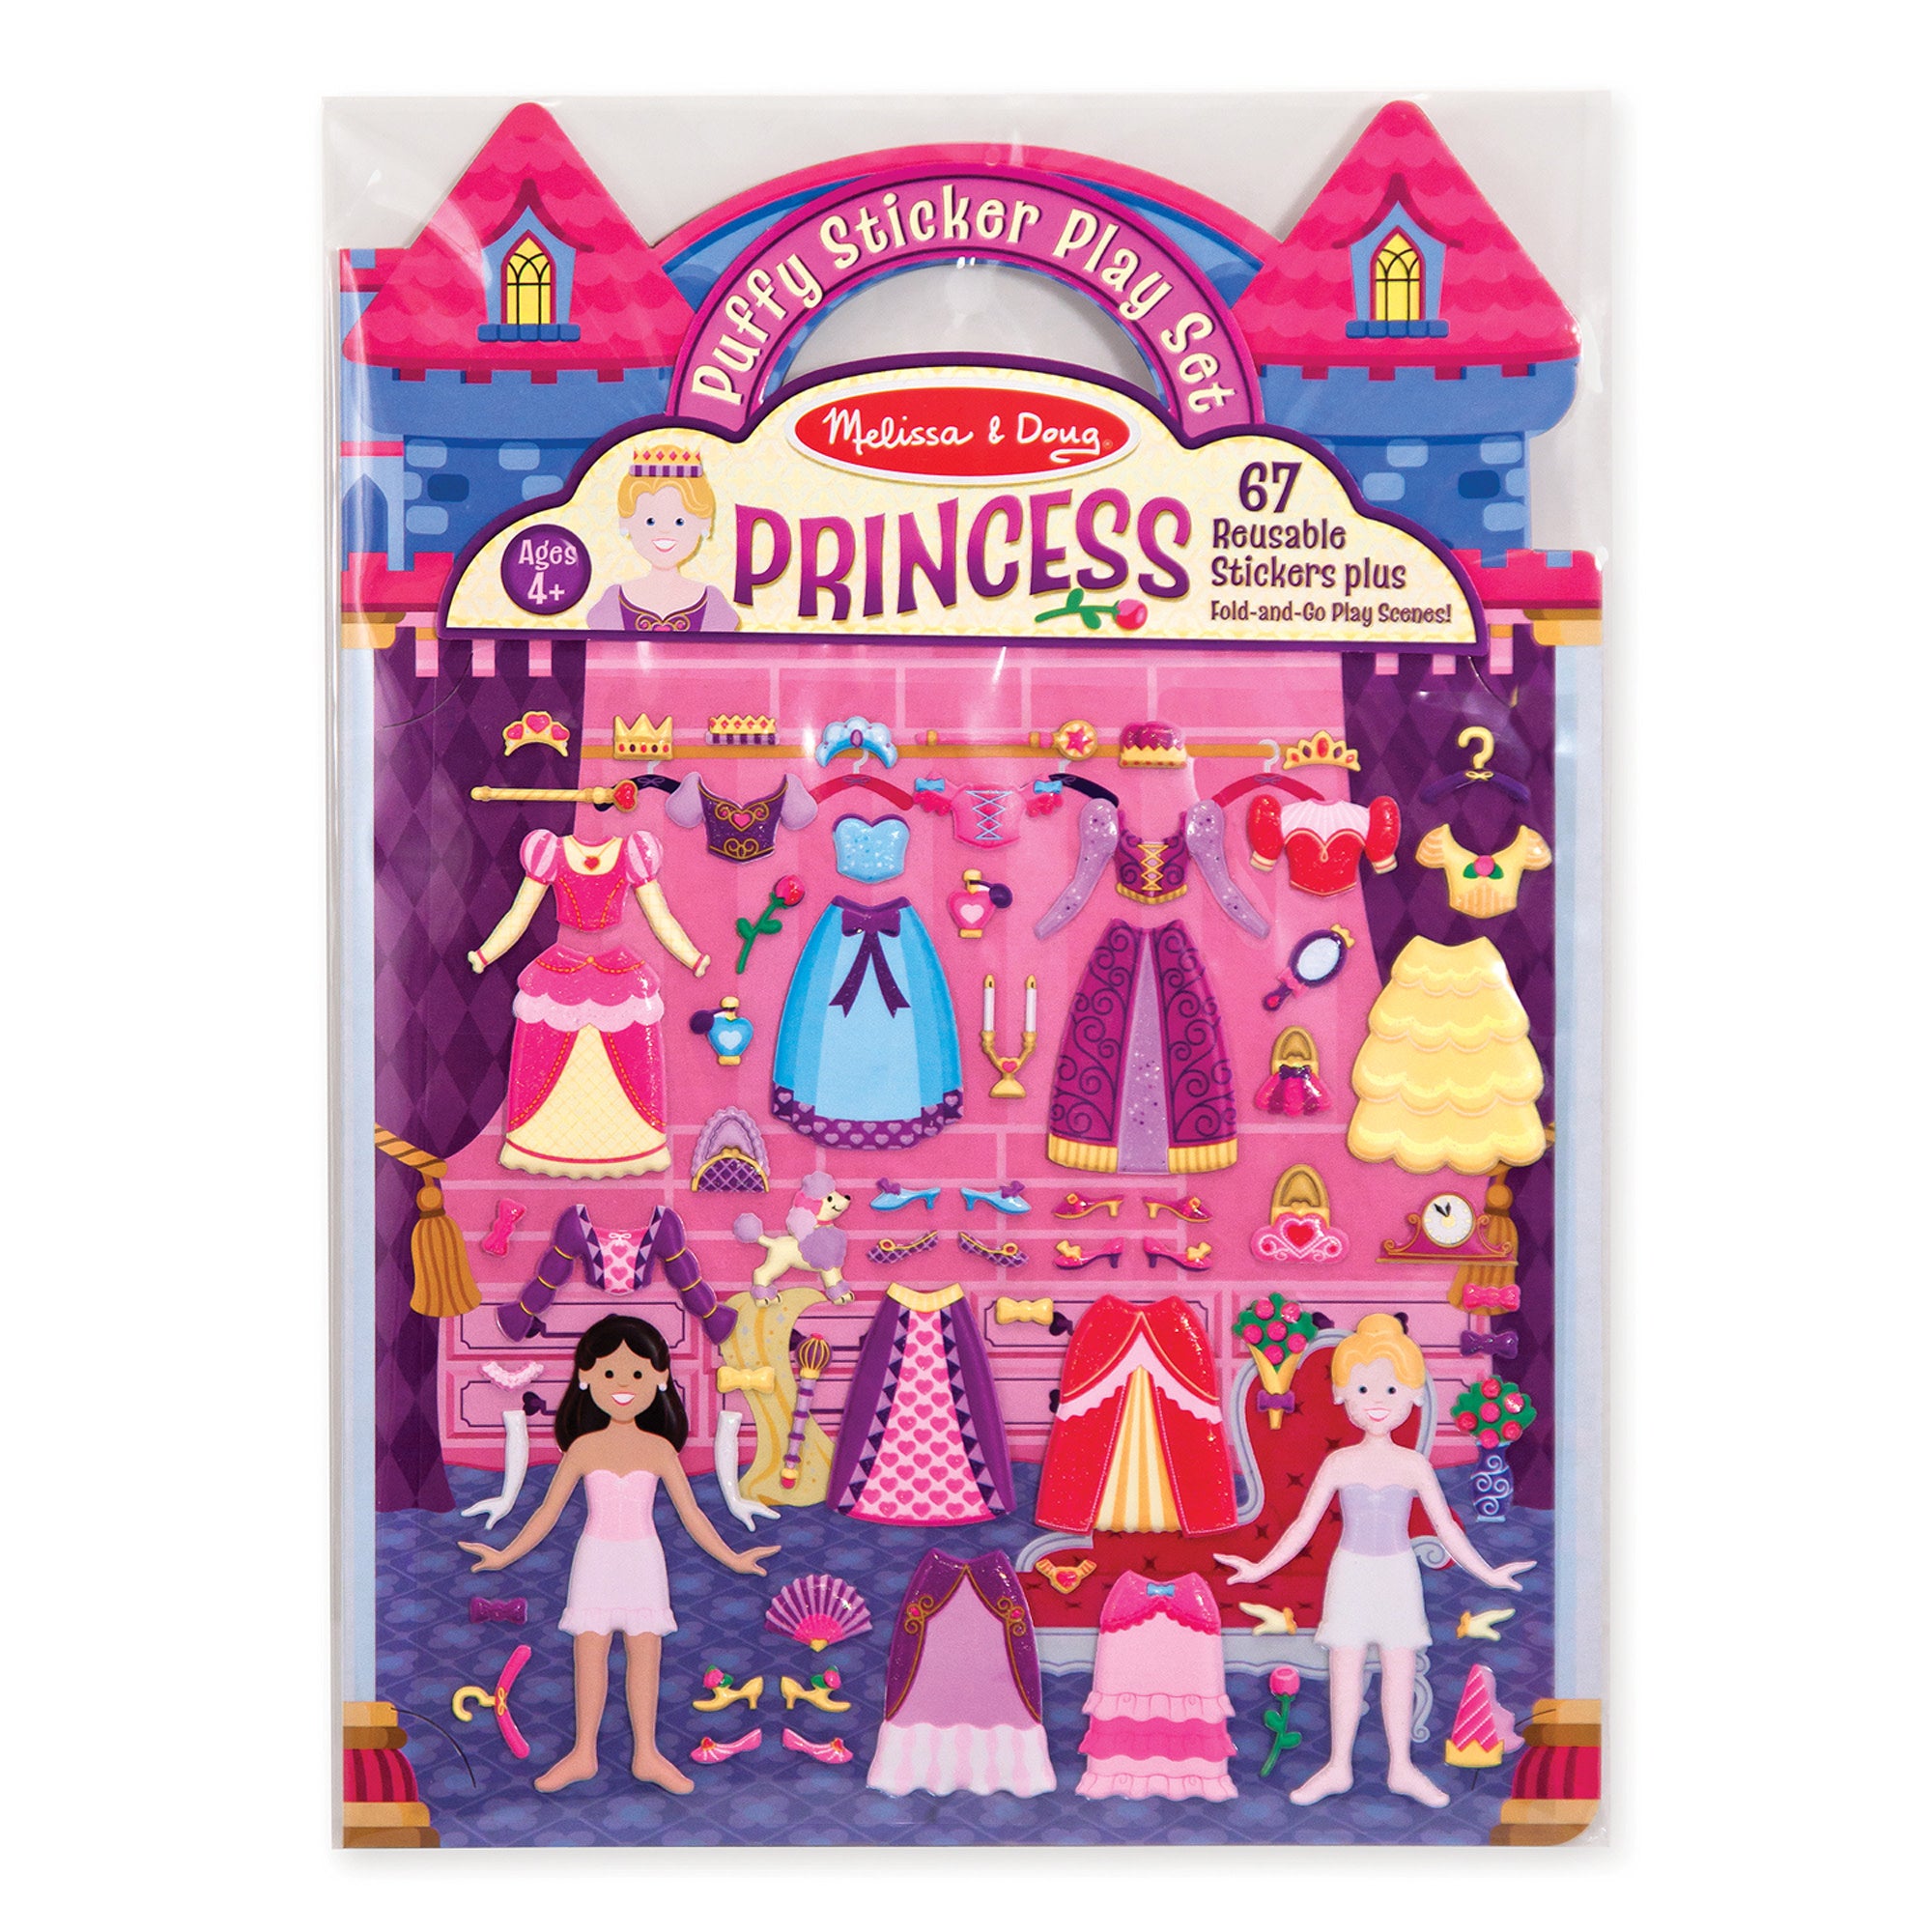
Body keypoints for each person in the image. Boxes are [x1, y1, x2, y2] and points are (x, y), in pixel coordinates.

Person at [1213, 1313, 1532, 1807]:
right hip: (1350, 1574)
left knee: (1399, 1667)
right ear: (1343, 1394)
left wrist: (1488, 1572)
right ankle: (1337, 1765)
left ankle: (1402, 1766)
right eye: (1363, 1389)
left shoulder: (1413, 1465)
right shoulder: (1339, 1462)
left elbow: (1447, 1529)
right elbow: (1302, 1526)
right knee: (1345, 1667)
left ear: (1413, 1395)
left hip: (1398, 1575)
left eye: (1390, 1389)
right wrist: (1260, 1568)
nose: (1376, 1402)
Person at [461, 1315, 778, 1793]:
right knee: (589, 1653)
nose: (623, 1385)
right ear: (586, 1378)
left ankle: (647, 1753)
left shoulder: (660, 1449)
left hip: (644, 1561)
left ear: (661, 1378)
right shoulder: (583, 1448)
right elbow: (547, 1512)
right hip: (595, 1560)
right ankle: (583, 1752)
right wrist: (504, 1555)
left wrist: (732, 1557)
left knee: (645, 1654)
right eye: (609, 1373)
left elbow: (692, 1514)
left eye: (637, 1373)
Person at [584, 446, 739, 632]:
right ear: (625, 522)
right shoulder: (614, 601)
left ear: (704, 523)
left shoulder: (711, 603)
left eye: (680, 522)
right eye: (650, 521)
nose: (664, 530)